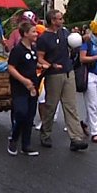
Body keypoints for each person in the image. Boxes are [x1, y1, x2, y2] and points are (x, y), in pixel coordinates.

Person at [36, 10, 88, 151]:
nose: (62, 20)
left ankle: (76, 138)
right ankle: (45, 134)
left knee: (71, 106)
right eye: (60, 19)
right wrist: (50, 65)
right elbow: (40, 57)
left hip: (68, 72)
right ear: (53, 21)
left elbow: (73, 44)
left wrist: (84, 39)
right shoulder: (44, 38)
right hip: (53, 75)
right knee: (51, 106)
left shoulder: (65, 33)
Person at [7, 22, 42, 156]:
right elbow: (11, 68)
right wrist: (24, 80)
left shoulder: (33, 49)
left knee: (30, 116)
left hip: (33, 87)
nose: (36, 34)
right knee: (21, 113)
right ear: (26, 34)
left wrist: (45, 66)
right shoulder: (17, 50)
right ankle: (14, 138)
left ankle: (26, 145)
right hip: (19, 88)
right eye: (33, 31)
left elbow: (33, 64)